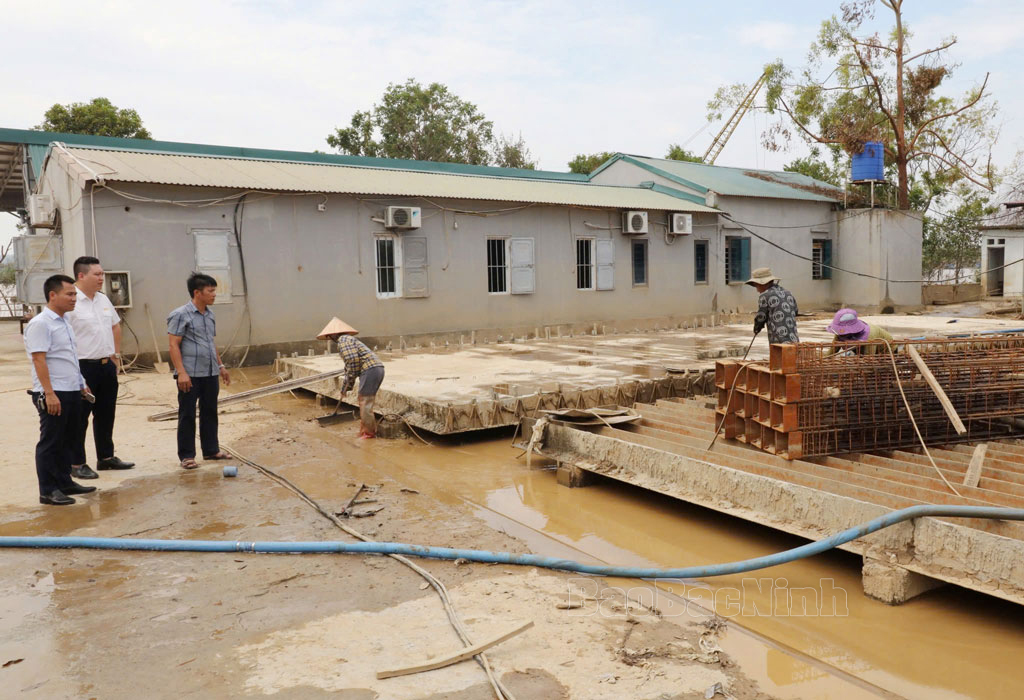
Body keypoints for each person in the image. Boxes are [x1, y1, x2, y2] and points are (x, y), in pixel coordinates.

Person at [24, 274, 99, 506]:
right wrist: (48, 393)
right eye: (70, 294)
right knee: (51, 441)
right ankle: (48, 490)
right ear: (52, 295)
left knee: (69, 439)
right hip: (53, 391)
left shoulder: (65, 321)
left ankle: (65, 482)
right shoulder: (40, 323)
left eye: (75, 294)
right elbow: (39, 360)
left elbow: (69, 357)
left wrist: (80, 382)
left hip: (71, 389)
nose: (74, 298)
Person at [66, 256, 135, 480]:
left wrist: (115, 355)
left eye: (102, 274)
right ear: (81, 276)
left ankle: (106, 458)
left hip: (106, 366)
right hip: (82, 368)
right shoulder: (71, 303)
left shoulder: (103, 299)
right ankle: (76, 463)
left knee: (106, 413)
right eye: (97, 274)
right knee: (79, 417)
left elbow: (115, 326)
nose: (101, 278)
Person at [167, 273, 231, 469]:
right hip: (190, 374)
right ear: (197, 292)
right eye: (210, 291)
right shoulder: (180, 315)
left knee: (210, 411)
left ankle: (211, 450)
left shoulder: (209, 315)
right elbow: (173, 345)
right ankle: (187, 456)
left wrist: (220, 366)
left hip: (210, 372)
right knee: (187, 413)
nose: (214, 295)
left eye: (214, 291)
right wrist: (182, 373)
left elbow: (210, 342)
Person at [316, 317, 385, 439]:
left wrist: (349, 382)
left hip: (370, 370)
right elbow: (349, 367)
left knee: (365, 401)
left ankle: (368, 434)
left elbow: (353, 361)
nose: (329, 339)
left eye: (329, 336)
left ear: (334, 334)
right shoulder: (348, 339)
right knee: (364, 400)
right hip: (375, 369)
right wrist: (346, 387)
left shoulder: (343, 340)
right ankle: (365, 430)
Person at [746, 267, 800, 343]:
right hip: (794, 339)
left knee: (779, 355)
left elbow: (761, 317)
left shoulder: (765, 295)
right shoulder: (788, 293)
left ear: (763, 283)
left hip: (778, 340)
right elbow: (796, 311)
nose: (757, 290)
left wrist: (757, 328)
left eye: (757, 286)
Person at [827, 308, 893, 355]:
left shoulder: (869, 335)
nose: (841, 335)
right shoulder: (839, 333)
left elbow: (869, 359)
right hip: (861, 350)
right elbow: (831, 352)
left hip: (886, 352)